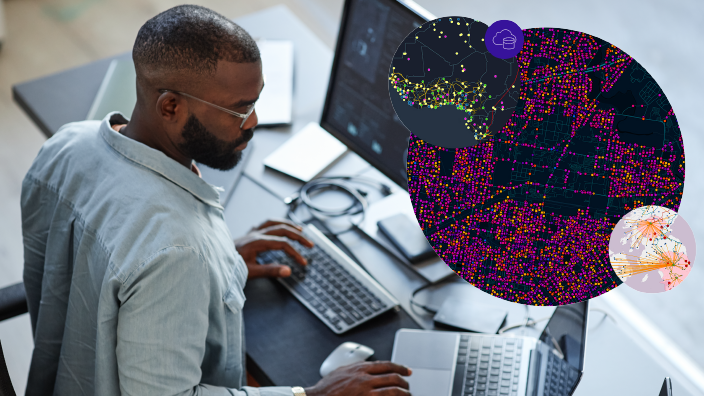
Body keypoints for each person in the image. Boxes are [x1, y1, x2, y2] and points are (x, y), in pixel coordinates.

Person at [20, 4, 412, 396]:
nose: (254, 122)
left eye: (256, 102)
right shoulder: (176, 251)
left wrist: (219, 264)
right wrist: (312, 395)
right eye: (239, 111)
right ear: (170, 106)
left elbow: (107, 257)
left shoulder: (67, 143)